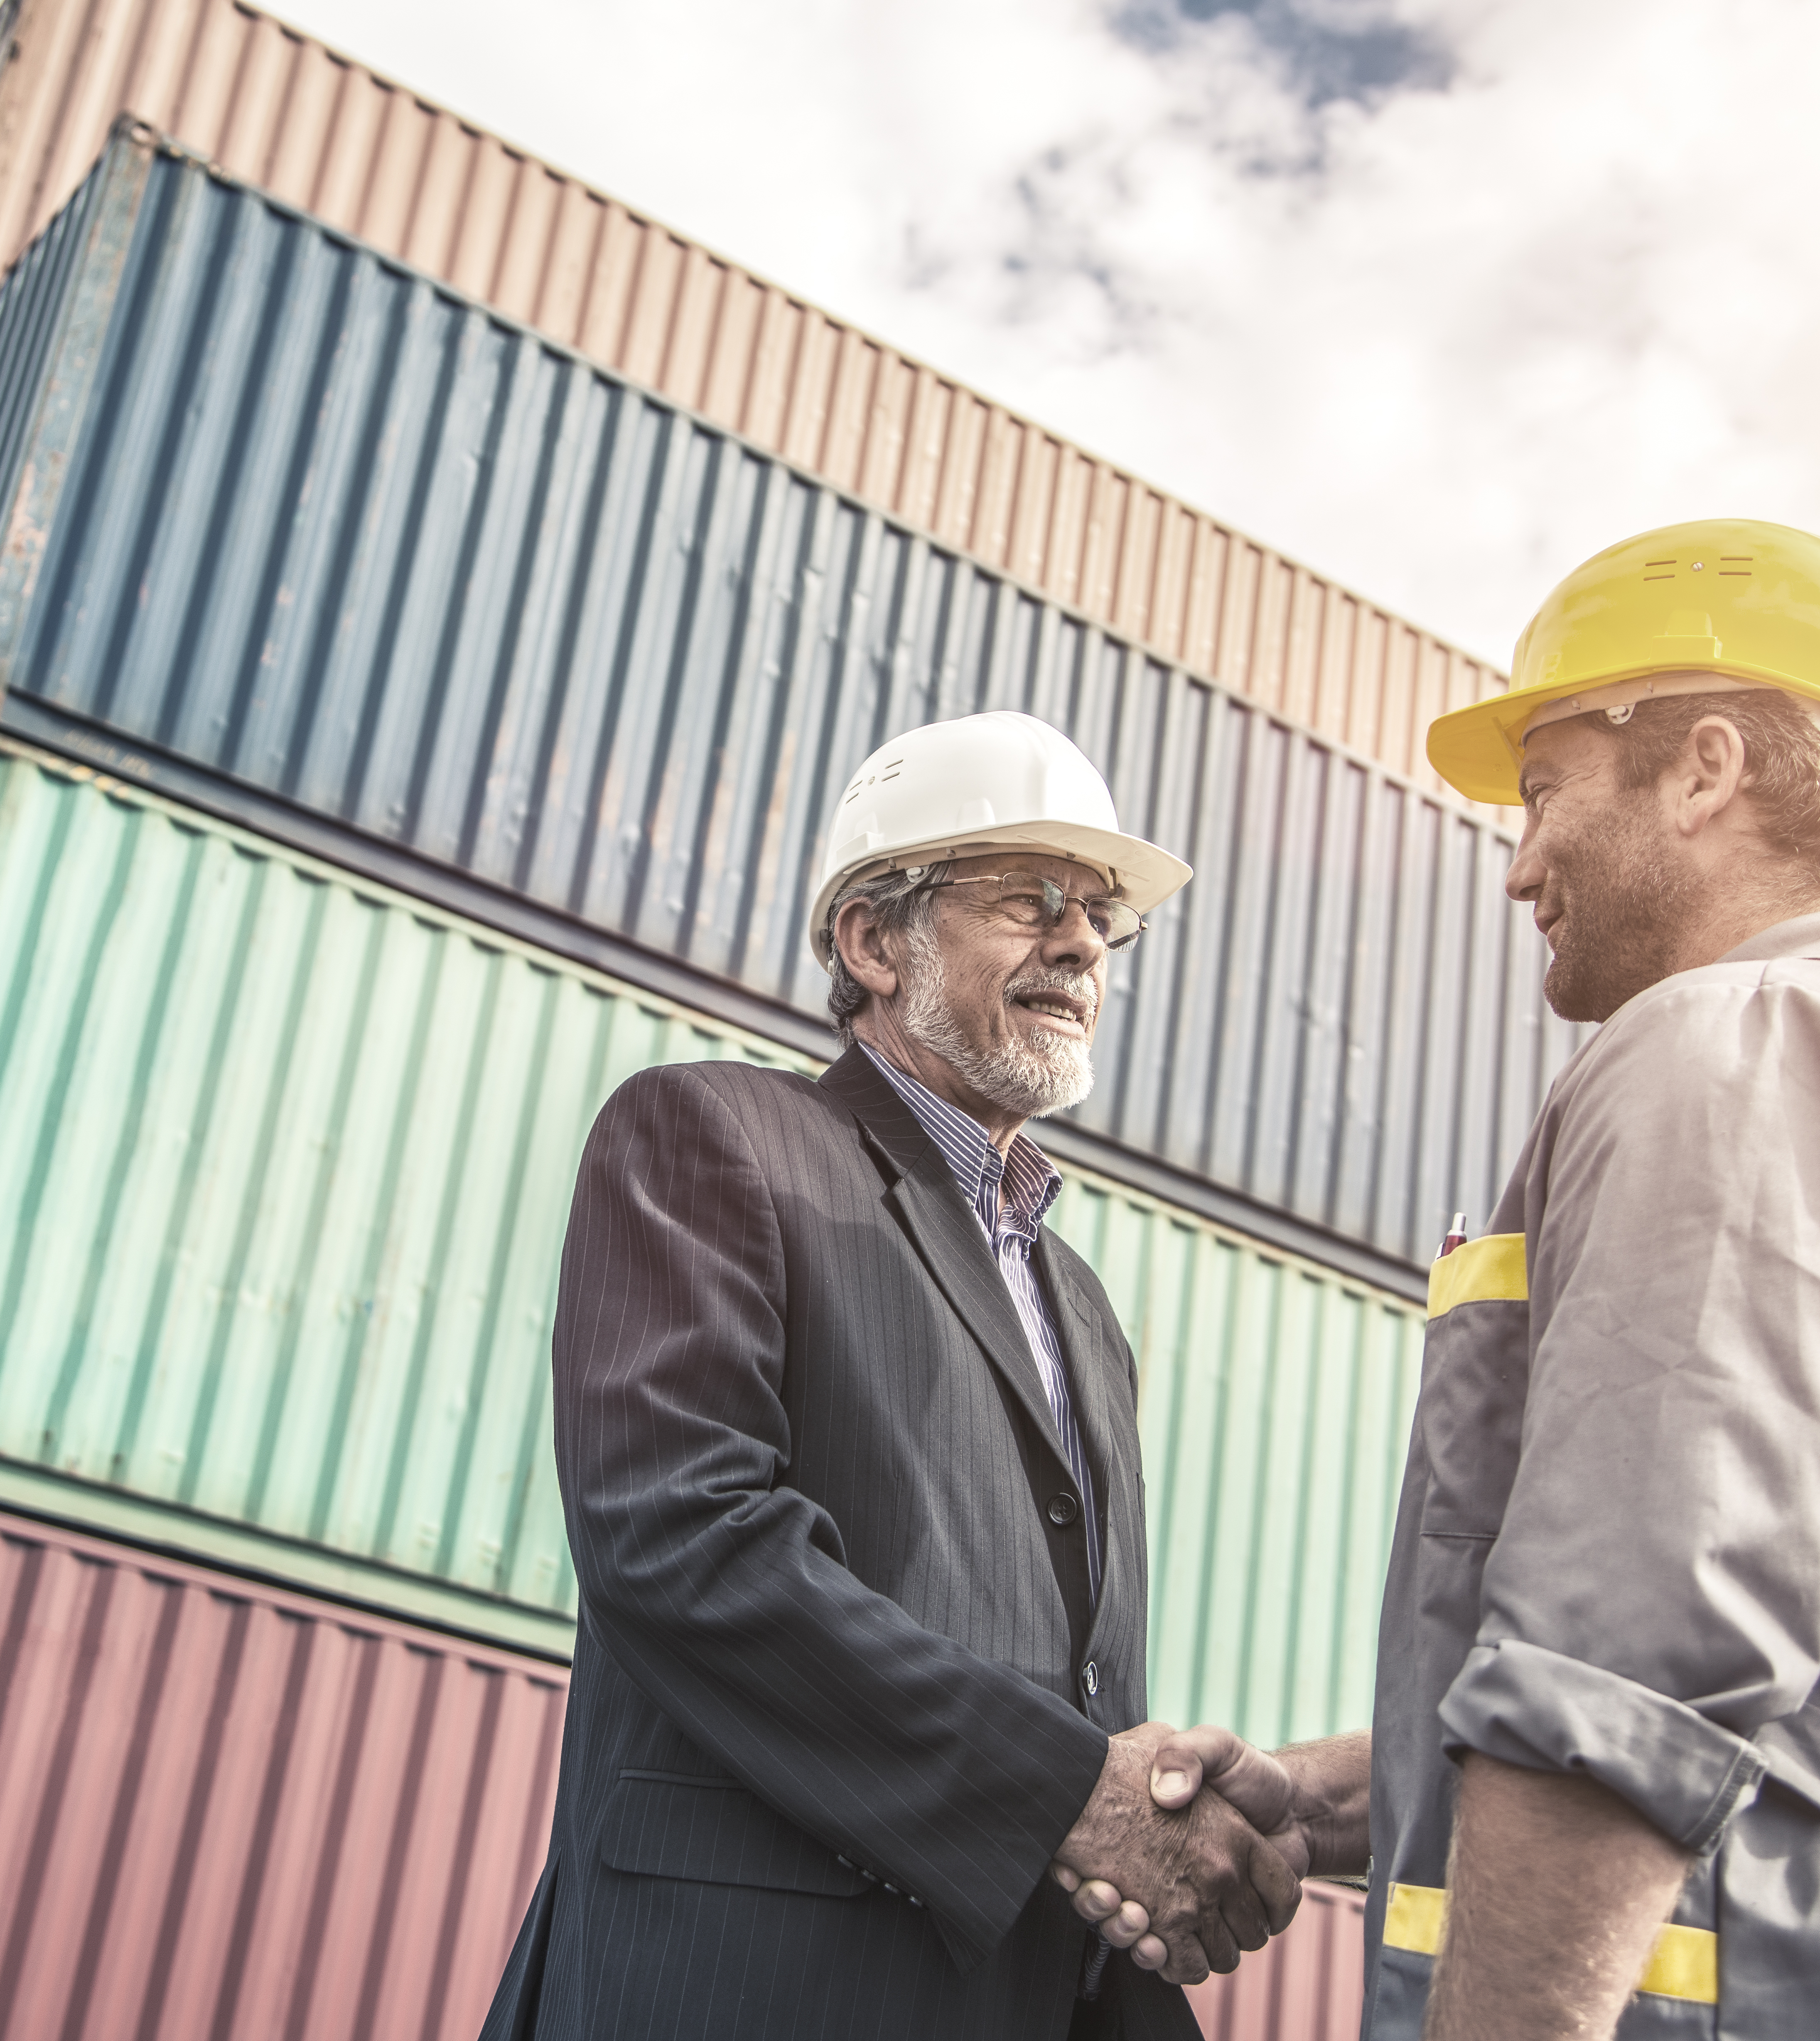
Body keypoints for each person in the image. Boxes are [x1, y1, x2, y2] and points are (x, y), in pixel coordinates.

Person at [1068, 519, 1820, 2035]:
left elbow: (1626, 1670)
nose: (1519, 867)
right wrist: (1323, 1798)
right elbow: (1774, 1722)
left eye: (1544, 791)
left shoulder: (1741, 1039)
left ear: (1706, 769)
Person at [479, 711, 1301, 2041]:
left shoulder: (1082, 1310)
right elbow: (682, 1540)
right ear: (873, 941)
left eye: (1104, 918)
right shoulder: (711, 1137)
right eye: (1034, 899)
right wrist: (1072, 1797)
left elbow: (1091, 1703)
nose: (1086, 945)